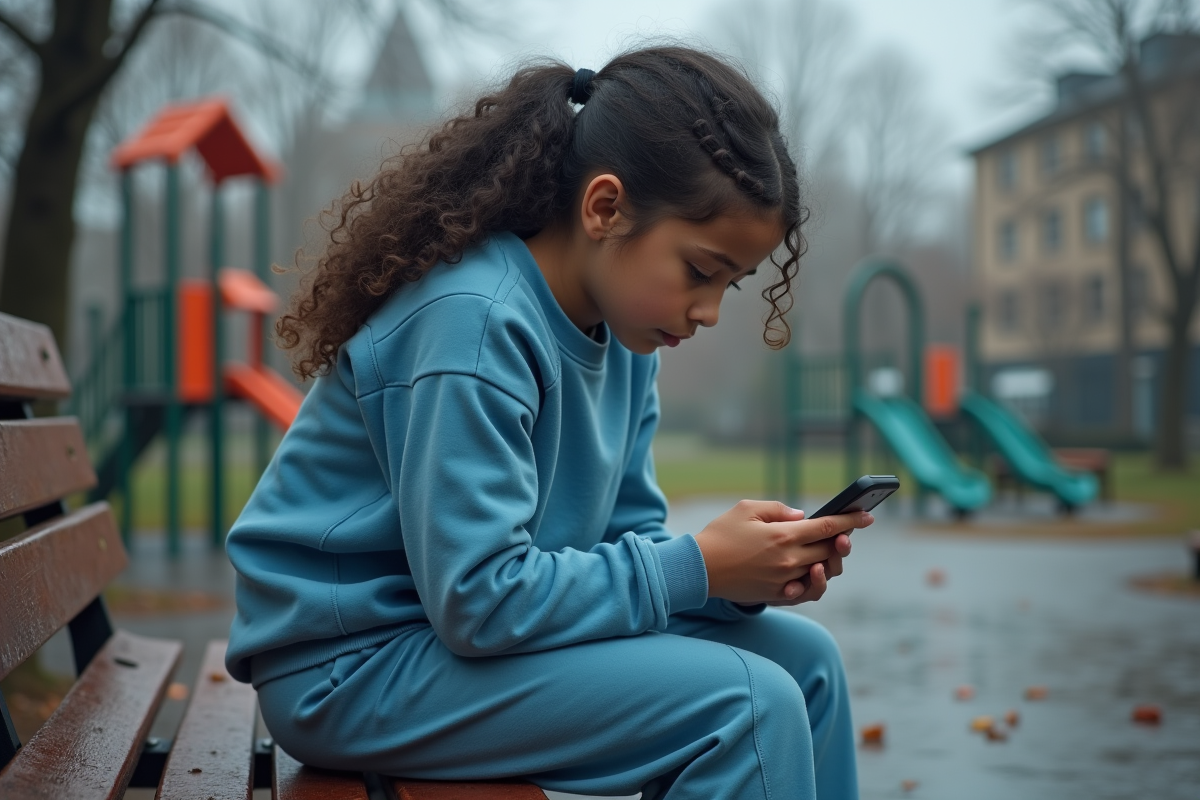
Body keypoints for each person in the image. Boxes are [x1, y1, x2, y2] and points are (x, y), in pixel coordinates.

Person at [225, 46, 873, 800]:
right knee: (747, 706)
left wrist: (738, 578)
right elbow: (480, 598)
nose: (709, 311)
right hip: (350, 669)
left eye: (733, 282)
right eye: (700, 271)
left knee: (808, 665)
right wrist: (696, 566)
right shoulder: (475, 324)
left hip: (452, 643)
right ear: (605, 208)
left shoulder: (629, 342)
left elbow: (618, 548)